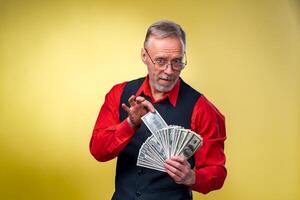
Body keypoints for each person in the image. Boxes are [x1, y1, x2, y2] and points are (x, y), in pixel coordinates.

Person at [89, 20, 227, 200]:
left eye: (177, 62)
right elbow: (98, 151)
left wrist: (192, 177)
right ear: (144, 55)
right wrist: (129, 124)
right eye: (161, 61)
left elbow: (217, 172)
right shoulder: (119, 94)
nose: (169, 71)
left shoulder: (203, 109)